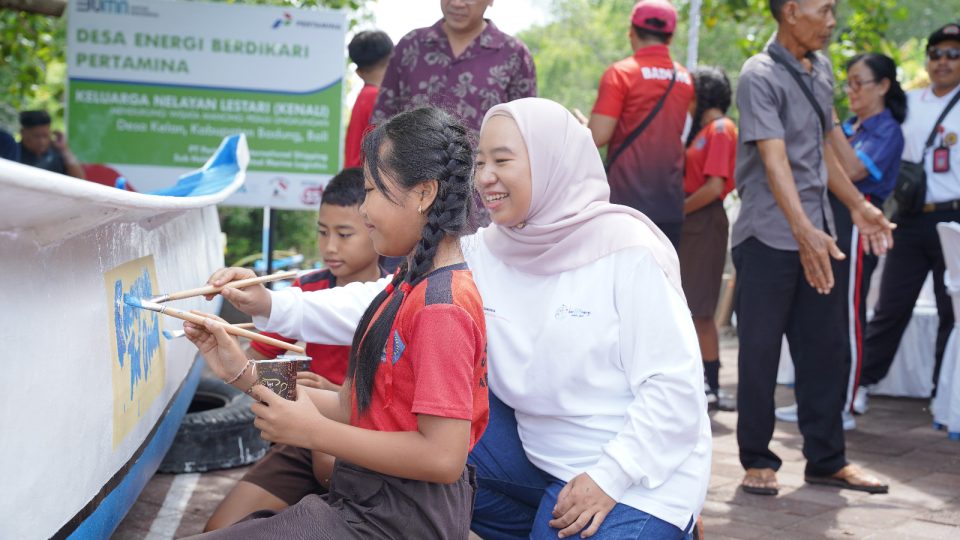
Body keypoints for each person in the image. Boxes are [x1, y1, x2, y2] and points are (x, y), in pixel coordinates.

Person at [213, 97, 711, 539]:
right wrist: (270, 307)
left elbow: (675, 390)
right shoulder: (483, 253)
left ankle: (670, 524)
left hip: (635, 472)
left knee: (429, 441)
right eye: (479, 162)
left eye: (503, 160)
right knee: (420, 418)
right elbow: (370, 315)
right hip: (536, 459)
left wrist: (611, 477)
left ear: (553, 163)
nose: (485, 176)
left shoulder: (627, 251)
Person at [185, 106, 487, 539]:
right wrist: (242, 371)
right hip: (367, 505)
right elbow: (351, 405)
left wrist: (316, 433)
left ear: (424, 193)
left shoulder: (442, 305)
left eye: (372, 191)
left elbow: (443, 457)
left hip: (398, 521)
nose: (364, 210)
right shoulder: (406, 286)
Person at [731, 0, 893, 496]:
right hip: (768, 236)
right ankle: (758, 457)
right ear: (790, 10)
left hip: (820, 231)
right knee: (759, 352)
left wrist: (858, 206)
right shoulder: (758, 75)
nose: (831, 21)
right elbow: (775, 158)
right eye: (823, 9)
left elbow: (823, 146)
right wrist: (801, 232)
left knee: (826, 350)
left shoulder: (820, 68)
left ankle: (826, 459)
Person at [203, 168, 385, 531]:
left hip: (365, 437)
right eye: (322, 232)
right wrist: (285, 384)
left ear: (374, 226)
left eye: (344, 234)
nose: (330, 246)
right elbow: (254, 364)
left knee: (330, 470)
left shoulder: (397, 295)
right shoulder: (307, 289)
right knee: (218, 530)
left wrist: (335, 396)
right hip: (302, 433)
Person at [776, 52, 906, 427]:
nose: (851, 91)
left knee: (846, 319)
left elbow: (850, 169)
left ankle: (844, 403)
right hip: (826, 222)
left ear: (883, 86)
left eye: (858, 83)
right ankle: (814, 401)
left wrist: (826, 121)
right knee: (817, 316)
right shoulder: (850, 126)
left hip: (859, 223)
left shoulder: (885, 130)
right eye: (846, 83)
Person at [857, 22, 960, 411]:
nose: (943, 62)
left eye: (953, 54)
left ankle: (943, 392)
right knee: (890, 306)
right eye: (936, 54)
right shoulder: (909, 103)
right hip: (912, 216)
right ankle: (861, 385)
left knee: (952, 309)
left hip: (955, 217)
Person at [587, 0, 695, 248]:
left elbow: (598, 136)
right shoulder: (685, 79)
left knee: (620, 282)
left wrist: (585, 127)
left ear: (631, 32)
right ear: (670, 37)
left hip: (626, 205)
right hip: (669, 204)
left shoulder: (621, 73)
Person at [369, 0, 537, 137]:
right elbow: (382, 117)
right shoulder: (411, 46)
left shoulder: (514, 55)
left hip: (482, 175)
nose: (457, 3)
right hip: (410, 173)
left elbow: (525, 130)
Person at [679, 66, 738, 412]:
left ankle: (711, 384)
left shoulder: (720, 129)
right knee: (691, 303)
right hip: (694, 221)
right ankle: (701, 380)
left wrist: (679, 210)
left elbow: (715, 187)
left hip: (704, 220)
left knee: (700, 308)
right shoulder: (703, 131)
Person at [344, 30, 394, 168]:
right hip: (367, 180)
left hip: (355, 178)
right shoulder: (379, 99)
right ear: (393, 58)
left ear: (359, 72)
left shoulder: (365, 96)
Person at [17, 110, 85, 179]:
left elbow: (79, 178)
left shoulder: (58, 152)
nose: (42, 141)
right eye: (37, 136)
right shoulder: (14, 152)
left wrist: (64, 150)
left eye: (45, 136)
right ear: (23, 133)